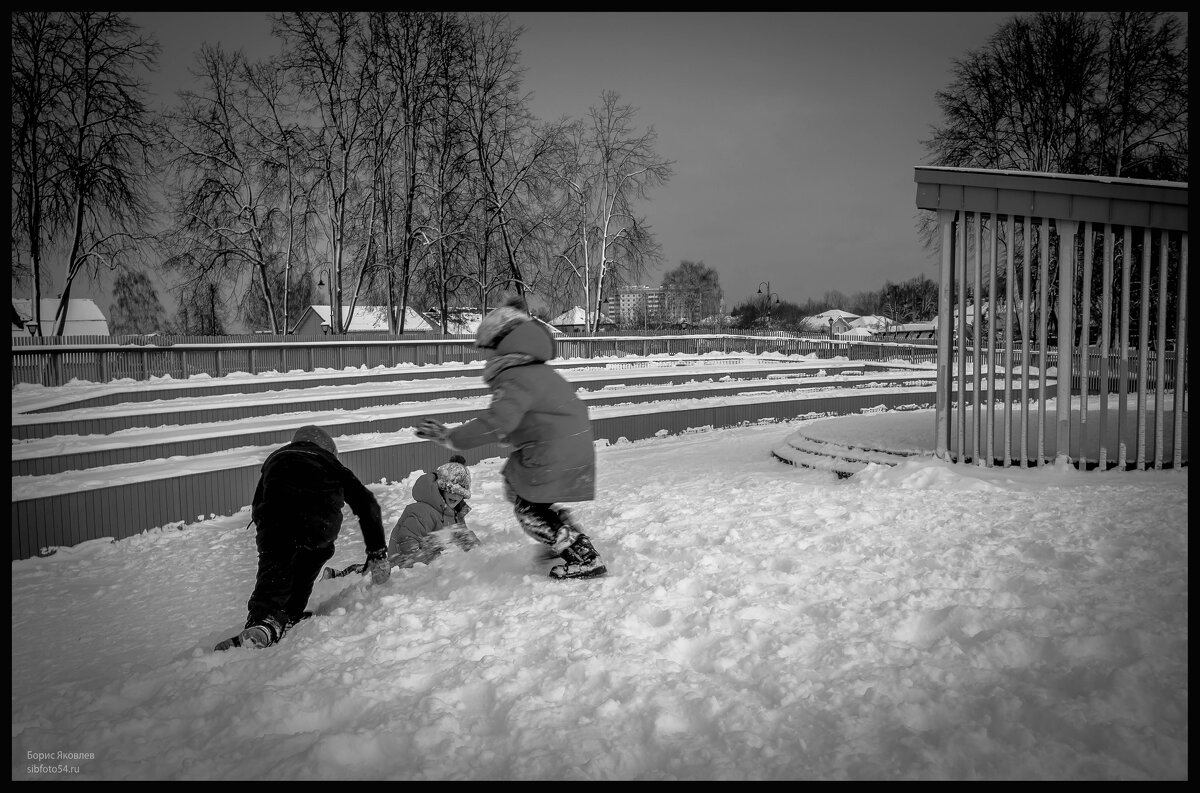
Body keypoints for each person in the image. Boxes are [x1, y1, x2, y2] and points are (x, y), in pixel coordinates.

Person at [415, 296, 607, 580]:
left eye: (487, 351)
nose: (486, 359)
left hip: (552, 451)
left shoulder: (515, 377)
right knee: (524, 495)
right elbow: (532, 417)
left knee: (528, 512)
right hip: (566, 445)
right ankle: (563, 538)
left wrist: (450, 436)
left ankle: (583, 557)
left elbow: (497, 422)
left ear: (500, 345)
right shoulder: (533, 370)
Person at [215, 425, 390, 651]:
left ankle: (262, 622)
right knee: (307, 565)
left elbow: (259, 501)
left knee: (274, 570)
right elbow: (367, 504)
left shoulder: (276, 459)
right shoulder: (330, 462)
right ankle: (289, 614)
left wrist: (265, 530)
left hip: (276, 522)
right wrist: (377, 552)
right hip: (319, 526)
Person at [322, 454, 480, 579]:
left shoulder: (454, 515)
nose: (454, 495)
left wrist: (479, 554)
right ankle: (339, 576)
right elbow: (407, 539)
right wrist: (421, 560)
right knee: (373, 573)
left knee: (371, 570)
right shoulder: (423, 510)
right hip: (405, 561)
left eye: (460, 493)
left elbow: (460, 538)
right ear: (440, 489)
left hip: (424, 561)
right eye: (450, 489)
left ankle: (338, 574)